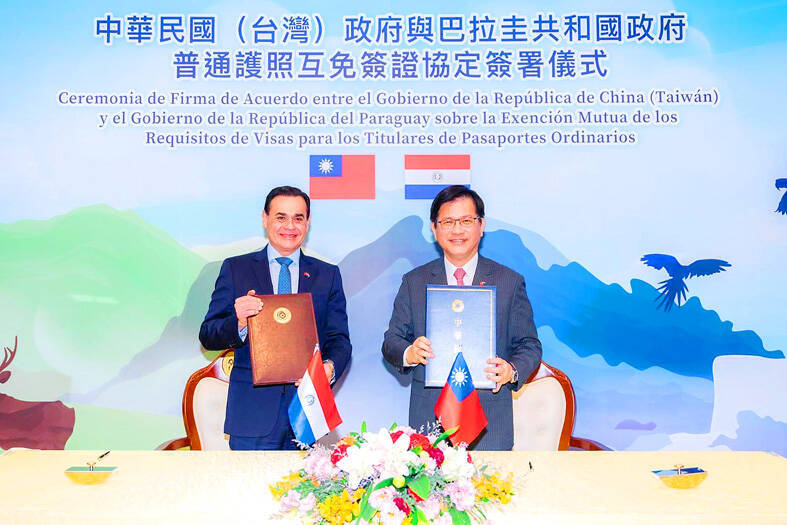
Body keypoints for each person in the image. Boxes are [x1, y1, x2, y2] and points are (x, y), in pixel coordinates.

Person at [382, 185, 542, 450]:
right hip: (430, 423)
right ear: (434, 229)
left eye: (466, 221)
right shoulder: (414, 281)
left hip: (490, 423)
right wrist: (409, 352)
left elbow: (529, 344)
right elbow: (391, 342)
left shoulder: (509, 281)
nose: (457, 230)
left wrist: (511, 369)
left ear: (481, 226)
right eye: (448, 222)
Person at [199, 186, 351, 450]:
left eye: (298, 218)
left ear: (308, 222)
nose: (289, 226)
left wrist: (329, 368)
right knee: (249, 490)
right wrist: (239, 322)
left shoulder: (327, 275)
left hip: (308, 412)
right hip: (251, 416)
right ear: (265, 218)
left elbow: (340, 339)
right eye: (281, 217)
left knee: (305, 491)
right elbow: (208, 335)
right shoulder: (236, 269)